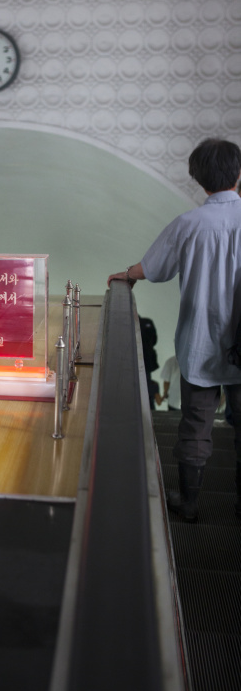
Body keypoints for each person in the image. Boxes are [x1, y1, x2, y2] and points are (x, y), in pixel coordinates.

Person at [108, 138, 241, 522]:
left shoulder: (189, 224)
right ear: (238, 174)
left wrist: (126, 275)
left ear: (198, 179)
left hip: (201, 343)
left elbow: (153, 268)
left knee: (196, 425)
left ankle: (189, 502)